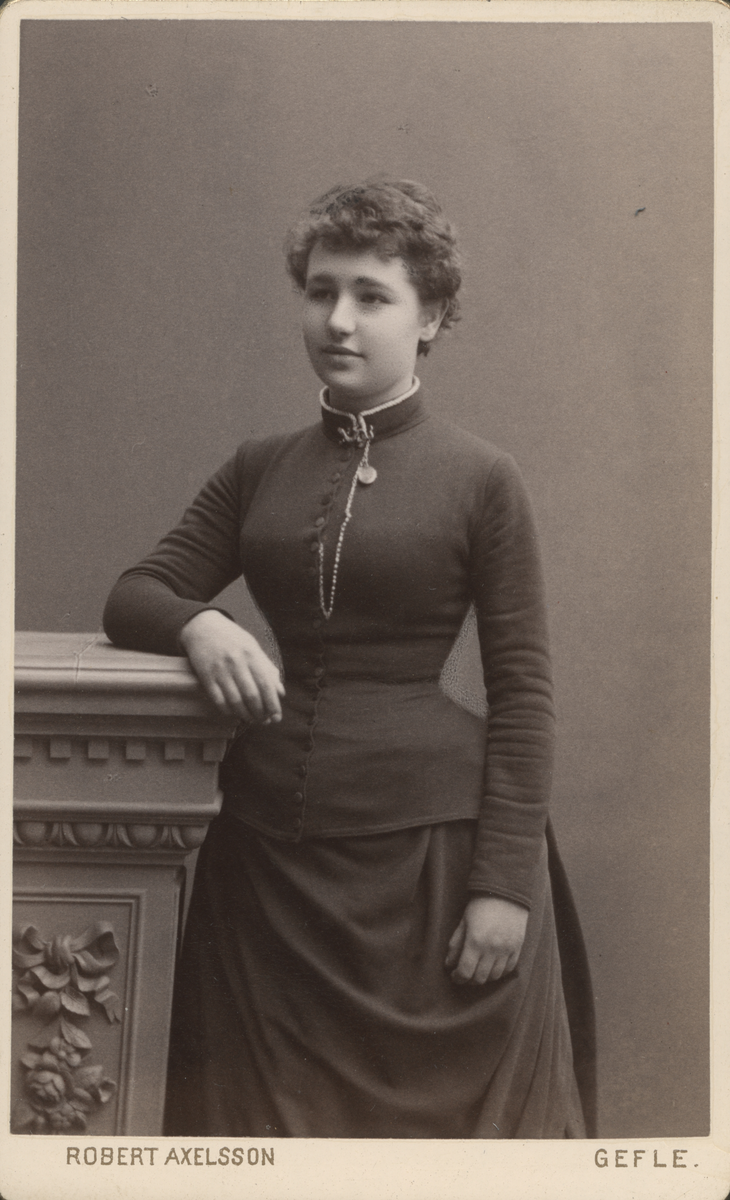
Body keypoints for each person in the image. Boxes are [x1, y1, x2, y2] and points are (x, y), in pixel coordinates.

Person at [103, 178, 595, 1139]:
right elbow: (136, 593)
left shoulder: (482, 478)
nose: (338, 319)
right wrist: (202, 625)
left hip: (433, 868)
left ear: (430, 318)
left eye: (372, 296)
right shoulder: (260, 467)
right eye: (321, 291)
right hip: (266, 875)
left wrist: (503, 886)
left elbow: (525, 694)